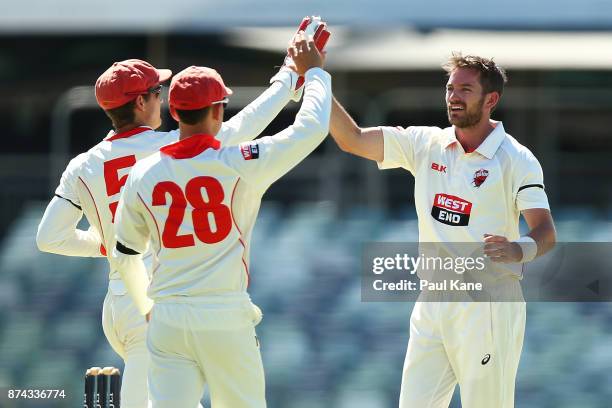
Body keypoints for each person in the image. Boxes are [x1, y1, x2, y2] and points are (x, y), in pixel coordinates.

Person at [36, 54, 306, 407]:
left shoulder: (82, 165)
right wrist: (288, 79)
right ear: (140, 102)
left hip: (118, 305)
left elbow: (49, 237)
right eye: (156, 90)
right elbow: (245, 124)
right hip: (154, 301)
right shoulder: (170, 149)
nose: (161, 96)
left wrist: (105, 247)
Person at [110, 32, 330, 408]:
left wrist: (147, 310)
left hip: (168, 316)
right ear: (218, 111)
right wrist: (314, 76)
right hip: (224, 313)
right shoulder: (240, 161)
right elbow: (311, 128)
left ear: (174, 112)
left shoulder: (143, 172)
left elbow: (126, 254)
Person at [329, 52, 557, 407]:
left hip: (488, 304)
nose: (453, 96)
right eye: (450, 88)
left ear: (491, 100)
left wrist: (518, 249)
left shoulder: (517, 159)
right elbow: (353, 139)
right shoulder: (426, 144)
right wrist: (315, 79)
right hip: (433, 301)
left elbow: (545, 232)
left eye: (465, 89)